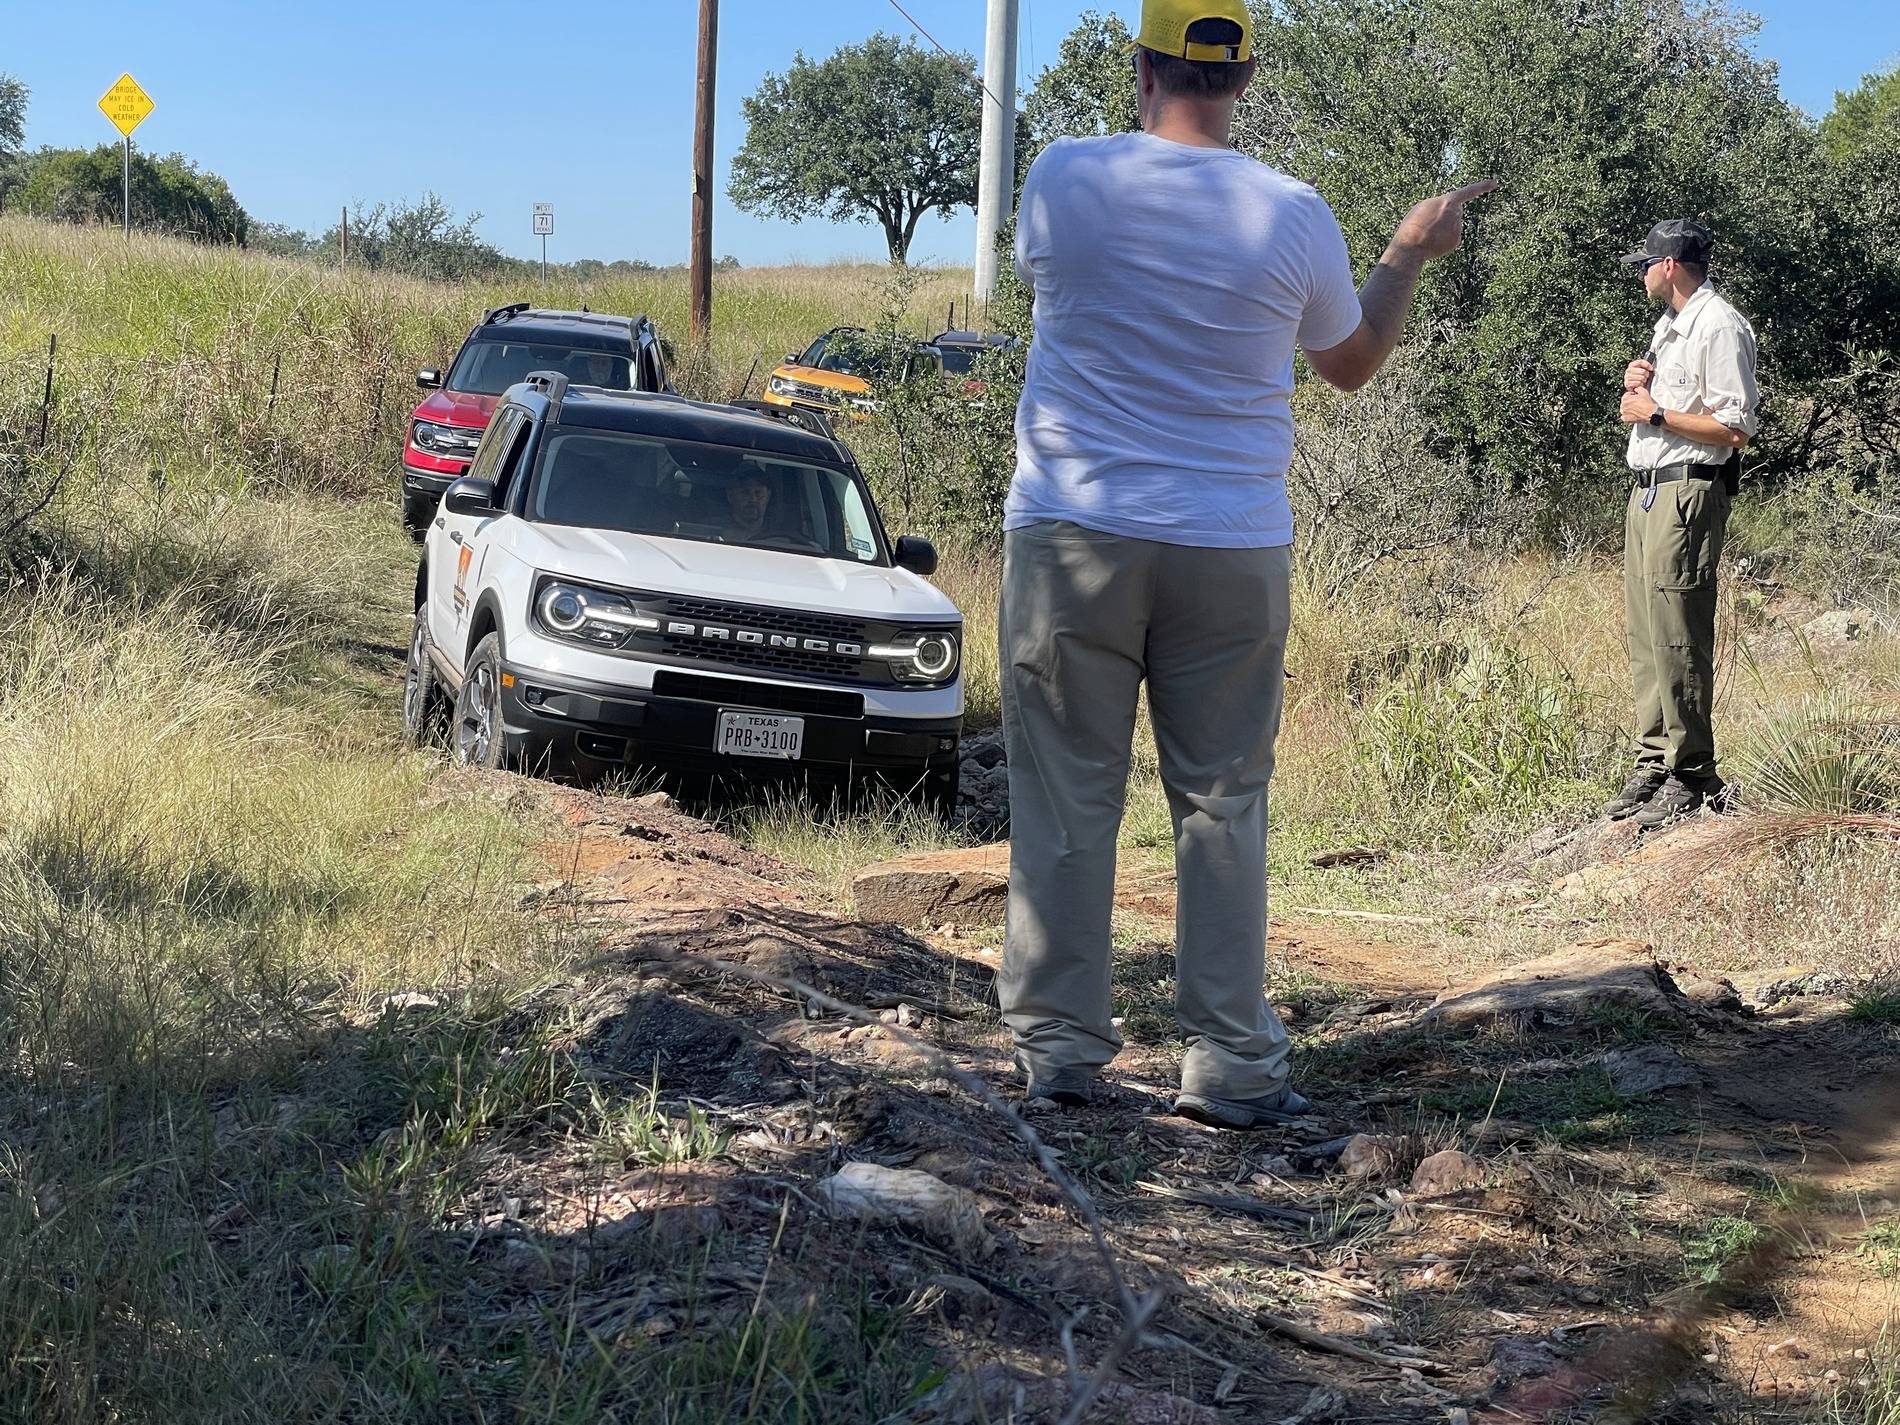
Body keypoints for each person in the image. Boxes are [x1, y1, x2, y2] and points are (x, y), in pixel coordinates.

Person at [999, 0, 1494, 1127]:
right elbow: (1352, 361)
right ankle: (1227, 1063)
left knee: (1068, 792)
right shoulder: (1293, 211)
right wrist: (1406, 253)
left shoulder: (1061, 178)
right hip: (1229, 542)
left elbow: (1057, 285)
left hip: (1072, 530)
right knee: (1222, 798)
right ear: (1246, 78)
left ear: (1142, 65)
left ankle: (1061, 1054)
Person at [1602, 220, 1759, 828]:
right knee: (1647, 632)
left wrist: (1657, 412)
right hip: (1647, 493)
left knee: (1678, 632)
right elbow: (1645, 414)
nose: (1639, 272)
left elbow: (1736, 428)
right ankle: (1655, 761)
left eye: (1645, 262)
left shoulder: (1719, 325)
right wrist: (1637, 396)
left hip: (1686, 493)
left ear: (1669, 265)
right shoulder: (1670, 327)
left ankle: (1693, 775)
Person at [721, 471, 772, 540]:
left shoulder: (781, 533)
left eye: (758, 493)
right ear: (730, 495)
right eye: (745, 492)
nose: (753, 499)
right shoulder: (711, 529)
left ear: (768, 496)